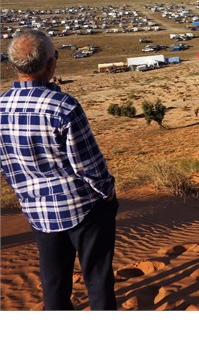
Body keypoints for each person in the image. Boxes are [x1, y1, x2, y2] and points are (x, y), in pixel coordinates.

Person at [0, 29, 118, 310]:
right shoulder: (63, 106)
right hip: (83, 207)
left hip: (36, 209)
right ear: (51, 64)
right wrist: (108, 193)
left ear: (14, 65)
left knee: (53, 280)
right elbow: (88, 165)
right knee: (98, 277)